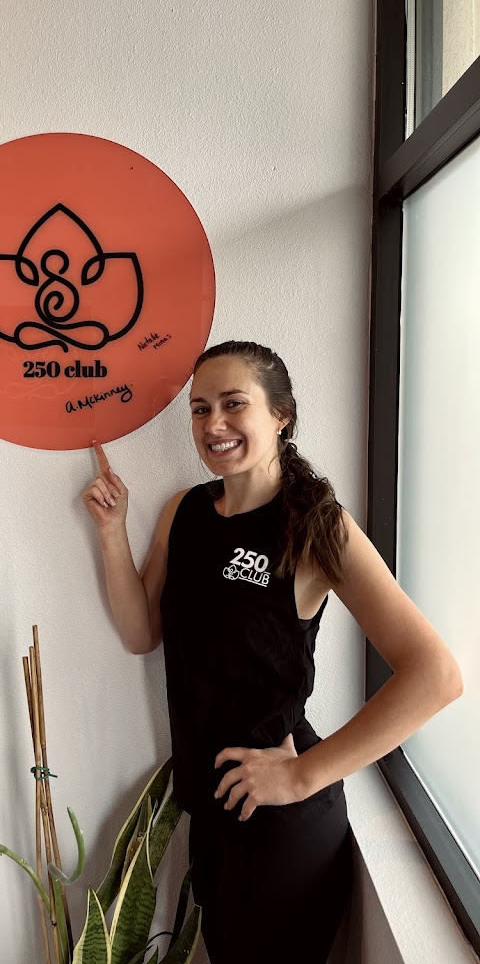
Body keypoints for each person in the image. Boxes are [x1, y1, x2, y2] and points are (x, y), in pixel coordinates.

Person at [81, 340, 463, 964]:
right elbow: (141, 633)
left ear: (281, 415)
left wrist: (302, 776)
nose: (214, 424)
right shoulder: (185, 511)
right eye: (200, 409)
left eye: (234, 404)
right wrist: (111, 532)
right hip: (212, 810)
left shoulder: (315, 526)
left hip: (281, 825)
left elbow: (436, 676)